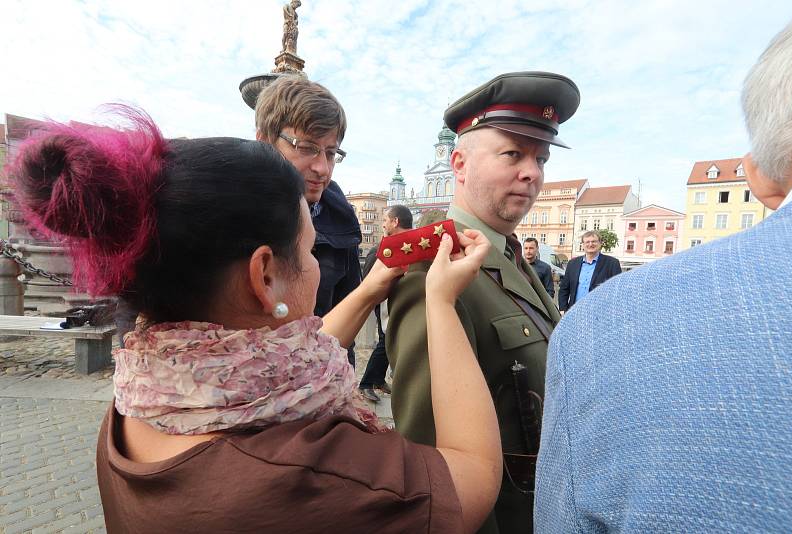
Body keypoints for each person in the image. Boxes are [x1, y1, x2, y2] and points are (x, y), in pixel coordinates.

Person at [9, 109, 504, 533]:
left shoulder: (146, 399)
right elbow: (473, 475)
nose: (315, 264)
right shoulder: (317, 477)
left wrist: (373, 285)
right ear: (264, 275)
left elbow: (271, 374)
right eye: (309, 249)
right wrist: (439, 303)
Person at [535, 14, 792, 532]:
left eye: (541, 157)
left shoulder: (602, 327)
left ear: (762, 174)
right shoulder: (576, 291)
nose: (532, 174)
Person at [387, 71, 580, 534]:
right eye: (513, 153)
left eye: (540, 157)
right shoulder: (431, 269)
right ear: (458, 165)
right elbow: (432, 463)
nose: (532, 172)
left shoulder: (509, 254)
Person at [255, 76, 361, 367]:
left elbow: (345, 320)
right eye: (306, 147)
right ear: (264, 140)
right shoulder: (230, 208)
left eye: (330, 153)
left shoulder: (342, 220)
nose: (321, 168)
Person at [358, 204, 413, 403]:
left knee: (390, 341)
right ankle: (366, 383)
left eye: (385, 221)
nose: (383, 225)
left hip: (400, 302)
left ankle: (377, 380)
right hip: (387, 304)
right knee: (387, 341)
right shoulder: (383, 248)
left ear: (395, 221)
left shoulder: (406, 244)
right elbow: (370, 281)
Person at [557, 229, 621, 312]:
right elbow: (564, 289)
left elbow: (617, 290)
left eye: (594, 241)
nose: (590, 244)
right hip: (575, 311)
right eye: (587, 242)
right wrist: (563, 309)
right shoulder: (572, 264)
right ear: (583, 245)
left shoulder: (612, 263)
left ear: (600, 243)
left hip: (600, 312)